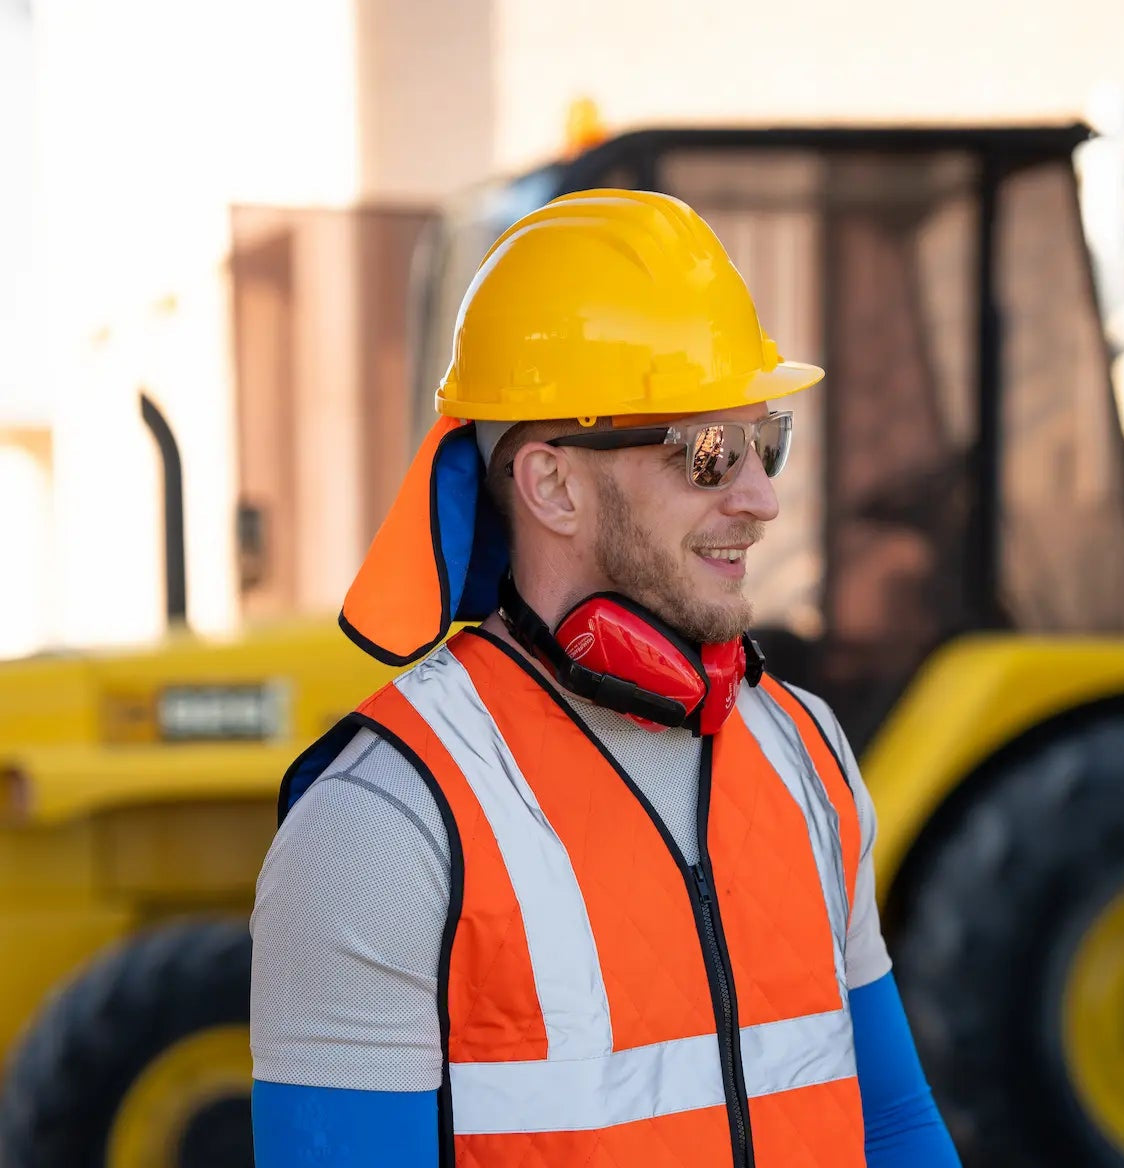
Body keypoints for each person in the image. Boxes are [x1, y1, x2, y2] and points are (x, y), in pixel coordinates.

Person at [249, 189, 962, 1166]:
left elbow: (895, 1128)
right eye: (708, 452)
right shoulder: (382, 825)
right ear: (553, 484)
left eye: (766, 442)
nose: (761, 498)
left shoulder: (806, 752)